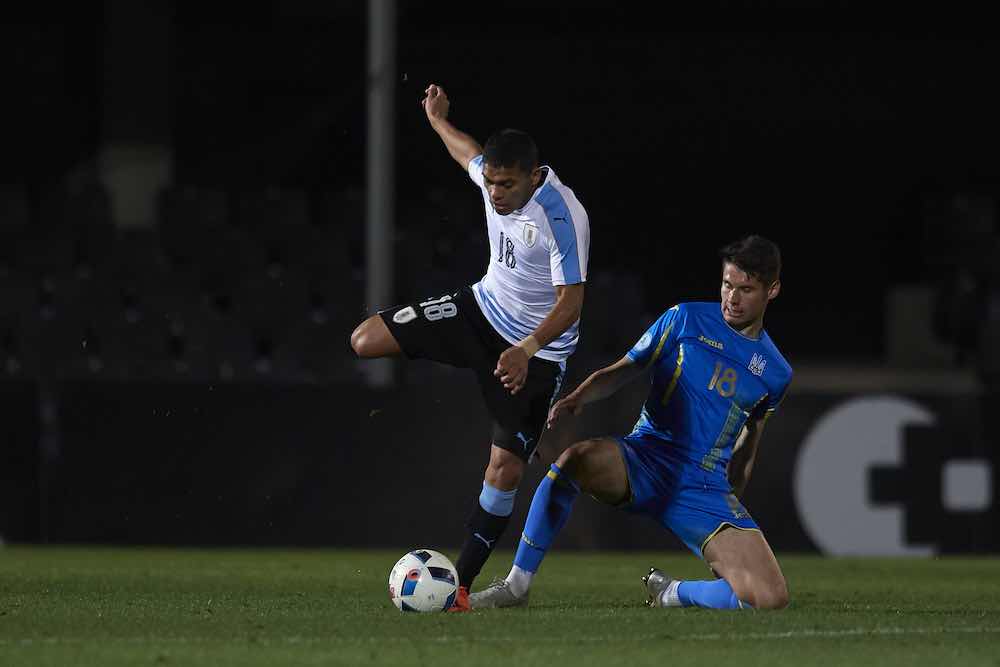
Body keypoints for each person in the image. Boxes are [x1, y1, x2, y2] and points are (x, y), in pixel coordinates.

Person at [350, 84, 590, 611]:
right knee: (365, 340)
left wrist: (525, 350)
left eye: (506, 184)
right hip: (479, 311)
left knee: (504, 470)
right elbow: (467, 151)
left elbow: (571, 304)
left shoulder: (562, 216)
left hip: (537, 354)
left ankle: (456, 587)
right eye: (490, 182)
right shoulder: (490, 177)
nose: (495, 193)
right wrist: (438, 121)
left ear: (533, 175)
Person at [471, 235, 792, 611]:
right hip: (644, 458)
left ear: (772, 290)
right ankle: (516, 586)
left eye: (746, 290)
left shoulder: (775, 372)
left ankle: (672, 593)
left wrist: (729, 514)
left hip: (702, 487)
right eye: (727, 285)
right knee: (575, 460)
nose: (732, 298)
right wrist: (576, 398)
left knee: (770, 598)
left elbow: (748, 444)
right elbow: (623, 370)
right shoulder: (685, 319)